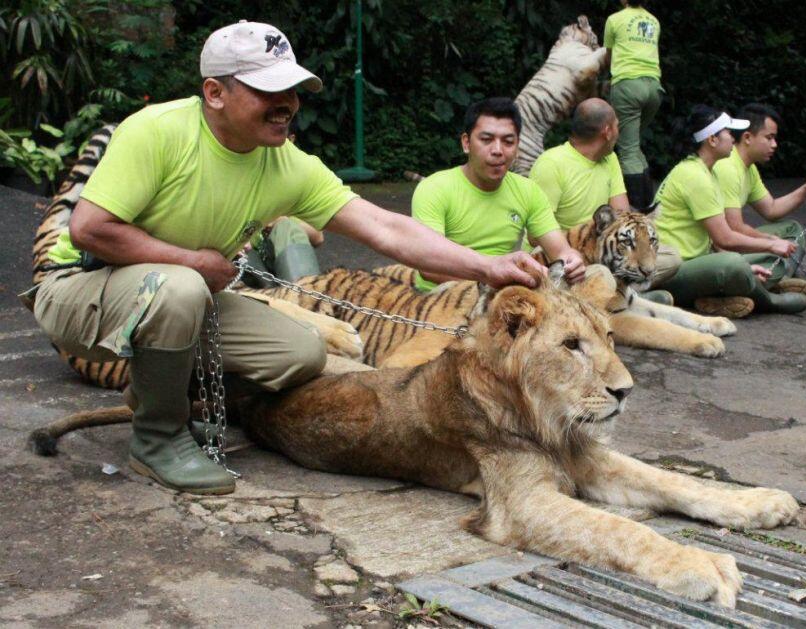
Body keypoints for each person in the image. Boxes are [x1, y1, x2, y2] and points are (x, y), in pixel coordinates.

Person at [32, 21, 546, 495]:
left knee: (299, 354)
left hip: (178, 296)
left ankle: (169, 393)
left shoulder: (285, 163)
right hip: (79, 291)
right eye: (266, 90)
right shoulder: (158, 131)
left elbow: (384, 226)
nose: (287, 104)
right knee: (183, 286)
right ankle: (157, 438)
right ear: (215, 92)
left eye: (292, 91)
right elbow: (89, 228)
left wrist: (488, 266)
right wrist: (193, 261)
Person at [410, 97, 585, 292]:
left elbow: (560, 250)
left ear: (517, 146)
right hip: (441, 298)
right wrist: (489, 276)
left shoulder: (528, 191)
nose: (497, 150)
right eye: (486, 140)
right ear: (466, 143)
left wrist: (572, 260)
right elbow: (429, 265)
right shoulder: (435, 188)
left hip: (499, 294)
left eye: (508, 142)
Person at [653, 105, 806, 318]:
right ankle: (768, 299)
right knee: (734, 264)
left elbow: (718, 242)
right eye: (728, 133)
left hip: (699, 262)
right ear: (712, 140)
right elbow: (725, 238)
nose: (732, 138)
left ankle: (731, 291)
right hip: (674, 270)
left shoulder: (707, 172)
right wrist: (771, 244)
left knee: (742, 264)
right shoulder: (695, 176)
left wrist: (750, 264)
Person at [529, 97, 678, 300]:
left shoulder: (610, 159)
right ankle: (625, 299)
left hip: (607, 252)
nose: (619, 131)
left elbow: (622, 216)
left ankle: (622, 295)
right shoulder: (551, 164)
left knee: (672, 258)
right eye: (617, 125)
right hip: (563, 258)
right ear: (607, 131)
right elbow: (534, 235)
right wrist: (580, 250)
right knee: (603, 273)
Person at [712, 103, 806, 293]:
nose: (774, 145)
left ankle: (775, 278)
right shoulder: (727, 166)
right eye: (769, 138)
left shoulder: (749, 167)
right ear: (747, 137)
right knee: (776, 254)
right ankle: (769, 280)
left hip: (730, 244)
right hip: (718, 249)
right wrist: (771, 242)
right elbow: (733, 229)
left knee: (793, 229)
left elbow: (771, 209)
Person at [604, 0, 664, 210]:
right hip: (654, 87)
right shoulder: (653, 21)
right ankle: (650, 202)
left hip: (628, 85)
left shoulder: (614, 19)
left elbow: (609, 56)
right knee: (633, 145)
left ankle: (639, 208)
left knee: (627, 150)